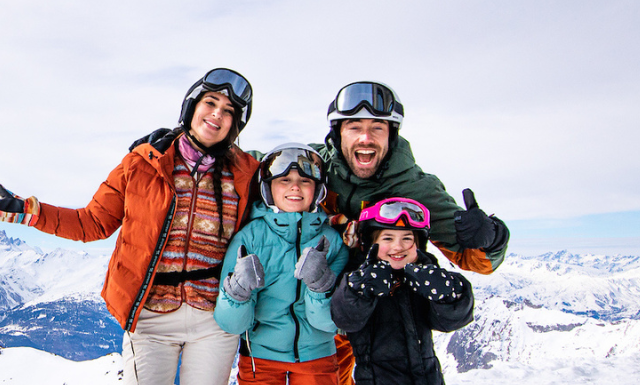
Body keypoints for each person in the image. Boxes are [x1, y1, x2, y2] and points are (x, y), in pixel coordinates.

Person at [0, 68, 259, 385]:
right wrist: (32, 213)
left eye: (229, 111)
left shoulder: (247, 173)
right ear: (192, 106)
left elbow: (300, 187)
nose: (217, 114)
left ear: (235, 124)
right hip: (150, 317)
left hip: (213, 319)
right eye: (211, 101)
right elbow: (91, 222)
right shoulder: (142, 164)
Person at [313, 81, 509, 275]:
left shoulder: (416, 189)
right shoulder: (313, 165)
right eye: (354, 127)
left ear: (391, 136)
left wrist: (492, 239)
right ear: (338, 134)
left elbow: (478, 262)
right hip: (315, 291)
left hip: (382, 294)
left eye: (377, 128)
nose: (365, 138)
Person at [214, 143, 353, 385]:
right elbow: (232, 324)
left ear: (318, 189)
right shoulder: (249, 238)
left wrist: (320, 287)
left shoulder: (330, 242)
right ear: (268, 188)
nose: (295, 187)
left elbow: (329, 323)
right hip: (260, 360)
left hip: (317, 358)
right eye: (285, 179)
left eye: (305, 181)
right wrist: (237, 293)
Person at [330, 198, 475, 385]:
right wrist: (361, 289)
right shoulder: (358, 277)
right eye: (387, 238)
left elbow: (449, 322)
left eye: (407, 238)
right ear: (370, 243)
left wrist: (450, 294)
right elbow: (346, 318)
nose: (398, 247)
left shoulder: (425, 276)